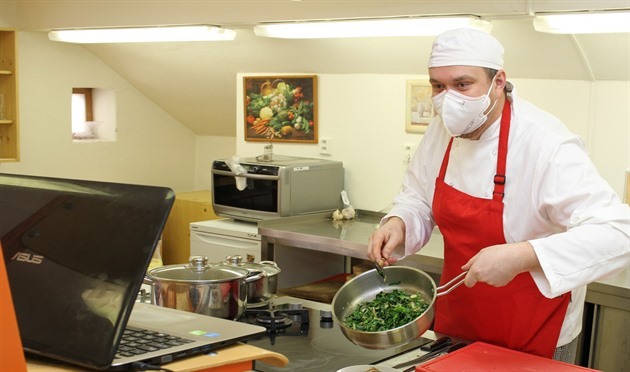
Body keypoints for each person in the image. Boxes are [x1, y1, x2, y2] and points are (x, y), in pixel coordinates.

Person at [367, 28, 629, 363]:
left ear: (499, 80)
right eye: (438, 86)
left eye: (462, 84)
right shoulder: (442, 130)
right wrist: (399, 222)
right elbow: (417, 195)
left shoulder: (546, 143)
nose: (448, 99)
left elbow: (618, 232)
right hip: (459, 321)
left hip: (534, 331)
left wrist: (523, 255)